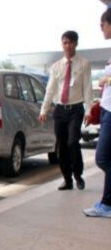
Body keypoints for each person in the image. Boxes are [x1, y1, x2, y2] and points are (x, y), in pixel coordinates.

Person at [39, 31, 92, 191]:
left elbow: (88, 88)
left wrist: (89, 110)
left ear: (76, 44)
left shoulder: (84, 64)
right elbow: (50, 89)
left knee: (72, 141)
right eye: (64, 43)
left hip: (76, 109)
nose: (67, 46)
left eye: (70, 42)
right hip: (60, 110)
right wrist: (44, 109)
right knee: (61, 146)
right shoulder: (56, 66)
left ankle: (78, 175)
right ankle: (67, 179)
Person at [84, 8, 111, 217]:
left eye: (102, 25)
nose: (101, 29)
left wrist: (106, 80)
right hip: (106, 109)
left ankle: (108, 204)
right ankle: (106, 203)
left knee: (102, 158)